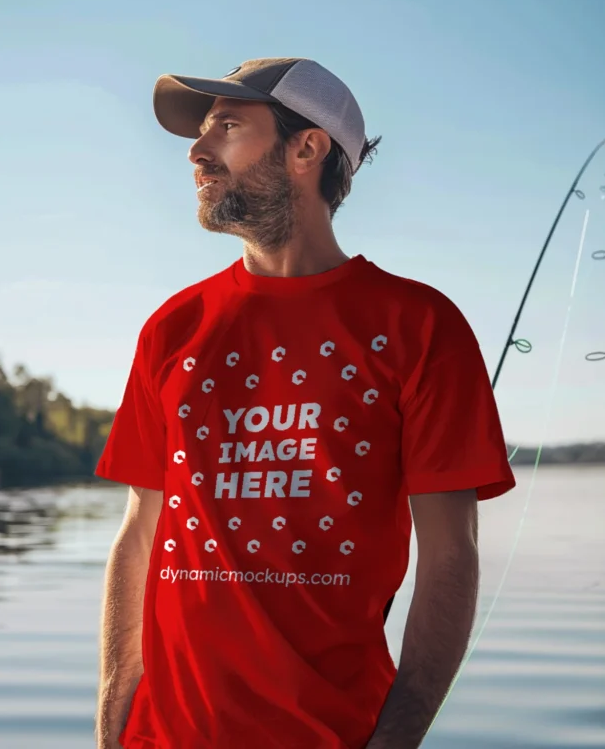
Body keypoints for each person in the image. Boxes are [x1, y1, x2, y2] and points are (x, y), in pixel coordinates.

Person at [94, 57, 516, 749]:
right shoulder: (172, 328)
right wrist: (113, 727)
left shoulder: (419, 326)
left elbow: (450, 555)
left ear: (307, 147)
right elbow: (141, 533)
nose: (198, 151)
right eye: (201, 133)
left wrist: (394, 741)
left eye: (227, 126)